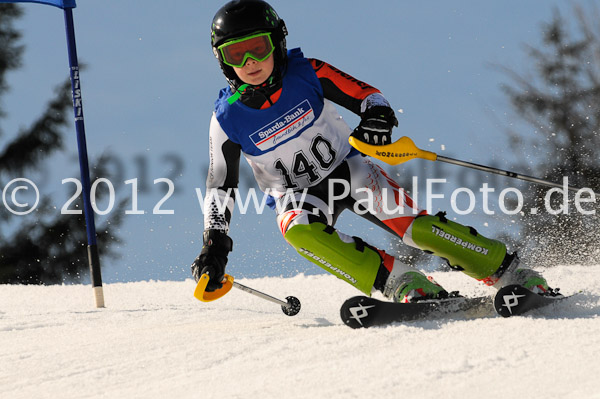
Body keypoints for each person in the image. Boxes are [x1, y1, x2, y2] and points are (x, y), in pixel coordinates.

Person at [191, 0, 552, 302]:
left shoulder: (307, 74)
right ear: (223, 61)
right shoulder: (227, 118)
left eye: (258, 47)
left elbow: (367, 95)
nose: (250, 61)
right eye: (236, 53)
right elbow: (220, 185)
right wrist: (215, 245)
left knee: (417, 230)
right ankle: (404, 283)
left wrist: (377, 118)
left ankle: (509, 270)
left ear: (277, 43)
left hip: (348, 170)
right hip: (296, 194)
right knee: (299, 231)